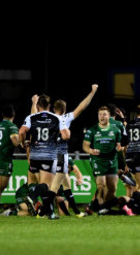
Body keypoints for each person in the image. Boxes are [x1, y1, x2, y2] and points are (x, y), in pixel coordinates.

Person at [50, 84, 98, 218]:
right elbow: (81, 107)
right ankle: (44, 211)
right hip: (60, 154)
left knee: (66, 185)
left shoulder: (48, 118)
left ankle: (76, 211)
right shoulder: (65, 118)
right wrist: (92, 92)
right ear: (65, 109)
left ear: (54, 109)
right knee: (54, 187)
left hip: (48, 154)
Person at [19, 94, 70, 220]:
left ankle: (50, 213)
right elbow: (65, 135)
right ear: (50, 106)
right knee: (48, 186)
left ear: (37, 106)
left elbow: (21, 132)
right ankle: (32, 196)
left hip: (34, 156)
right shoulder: (57, 118)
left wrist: (23, 142)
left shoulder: (31, 117)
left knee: (42, 185)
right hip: (48, 156)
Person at [83, 106, 123, 215]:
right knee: (101, 185)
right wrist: (91, 151)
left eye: (104, 114)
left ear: (109, 116)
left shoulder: (116, 130)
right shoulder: (92, 130)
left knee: (112, 188)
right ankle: (100, 207)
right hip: (98, 160)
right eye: (100, 114)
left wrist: (119, 148)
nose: (102, 116)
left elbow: (120, 144)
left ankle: (104, 206)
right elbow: (85, 146)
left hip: (112, 160)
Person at [0, 105, 22, 214]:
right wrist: (22, 142)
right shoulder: (11, 126)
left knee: (0, 187)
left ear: (3, 115)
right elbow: (15, 142)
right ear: (13, 115)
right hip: (4, 159)